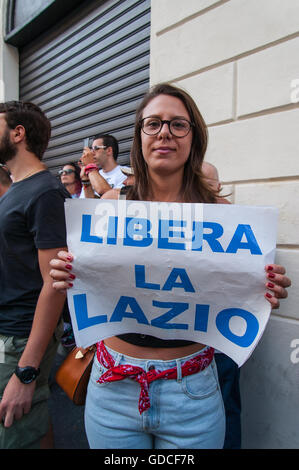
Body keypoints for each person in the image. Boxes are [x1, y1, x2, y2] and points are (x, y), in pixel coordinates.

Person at [49, 83, 291, 449]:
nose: (164, 132)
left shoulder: (221, 214)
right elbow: (84, 273)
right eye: (153, 124)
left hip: (192, 391)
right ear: (140, 136)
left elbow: (236, 287)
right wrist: (65, 271)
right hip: (111, 387)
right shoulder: (111, 204)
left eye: (178, 124)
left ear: (194, 138)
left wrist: (262, 288)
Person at [0, 101, 69, 449]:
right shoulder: (17, 189)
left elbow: (54, 285)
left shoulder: (45, 192)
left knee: (17, 429)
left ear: (18, 133)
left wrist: (26, 371)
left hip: (21, 337)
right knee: (28, 425)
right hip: (9, 330)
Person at [201, 160, 241, 449]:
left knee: (225, 403)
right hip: (194, 335)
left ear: (217, 186)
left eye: (206, 184)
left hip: (221, 337)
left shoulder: (231, 218)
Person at [79, 134, 127, 198]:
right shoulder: (92, 174)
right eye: (91, 149)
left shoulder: (125, 173)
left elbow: (113, 199)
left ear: (109, 150)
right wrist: (85, 179)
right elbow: (85, 202)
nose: (91, 153)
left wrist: (90, 166)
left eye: (96, 148)